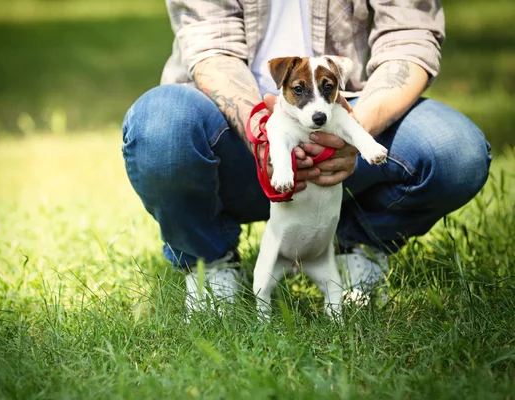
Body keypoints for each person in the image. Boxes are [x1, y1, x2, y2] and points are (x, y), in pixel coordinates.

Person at [122, 0, 492, 311]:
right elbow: (211, 47)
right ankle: (209, 262)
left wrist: (350, 132)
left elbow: (409, 39)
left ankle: (356, 245)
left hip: (353, 107)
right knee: (160, 125)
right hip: (229, 122)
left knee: (457, 152)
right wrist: (263, 133)